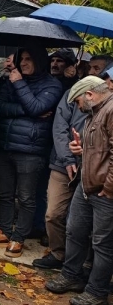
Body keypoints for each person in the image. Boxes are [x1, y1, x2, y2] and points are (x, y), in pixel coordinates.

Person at [0, 47, 62, 258]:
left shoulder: (52, 84)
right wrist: (25, 110)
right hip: (5, 144)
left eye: (29, 59)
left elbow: (38, 107)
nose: (24, 63)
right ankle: (3, 230)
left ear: (39, 60)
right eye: (22, 59)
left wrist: (19, 84)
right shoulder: (11, 80)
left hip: (31, 149)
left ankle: (19, 237)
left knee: (26, 197)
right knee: (5, 193)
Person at [46, 77, 113, 305]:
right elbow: (101, 150)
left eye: (77, 102)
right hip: (85, 184)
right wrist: (81, 148)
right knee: (75, 231)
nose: (77, 107)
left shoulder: (111, 110)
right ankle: (71, 275)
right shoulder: (96, 112)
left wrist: (110, 187)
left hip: (104, 191)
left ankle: (96, 292)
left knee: (102, 243)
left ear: (90, 95)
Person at [33, 67, 92, 270]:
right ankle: (58, 253)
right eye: (91, 68)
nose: (92, 72)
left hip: (92, 169)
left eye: (98, 69)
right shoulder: (71, 93)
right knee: (53, 213)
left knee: (83, 222)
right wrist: (68, 159)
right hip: (62, 163)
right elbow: (59, 127)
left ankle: (81, 263)